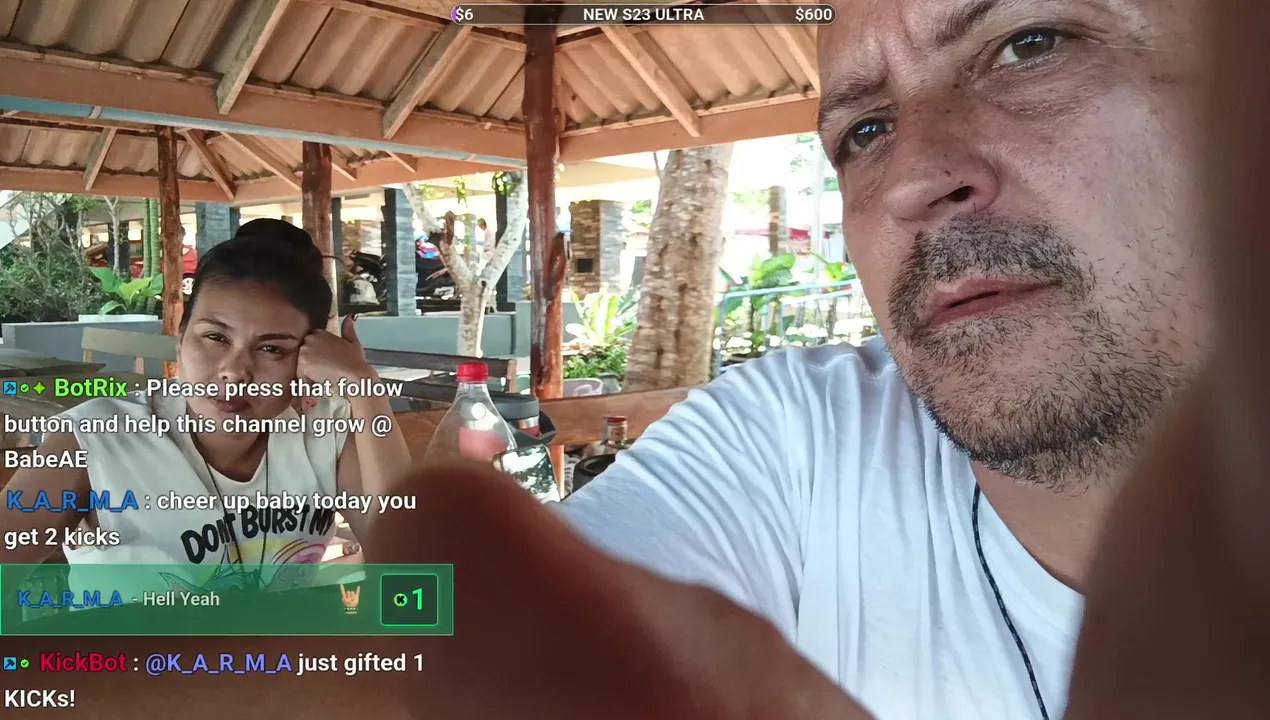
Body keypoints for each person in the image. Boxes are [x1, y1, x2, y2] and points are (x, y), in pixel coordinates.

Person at [551, 0, 1212, 717]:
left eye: (1030, 45)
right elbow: (505, 631)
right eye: (865, 132)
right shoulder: (801, 442)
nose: (909, 181)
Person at [0, 219, 410, 595]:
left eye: (271, 348)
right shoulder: (96, 438)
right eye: (216, 337)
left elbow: (410, 564)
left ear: (307, 361)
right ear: (181, 340)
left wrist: (364, 387)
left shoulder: (325, 433)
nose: (235, 371)